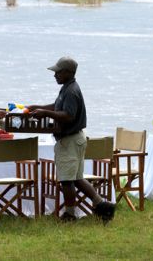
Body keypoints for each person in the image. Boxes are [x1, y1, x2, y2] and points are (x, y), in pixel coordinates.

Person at [28, 56, 115, 222]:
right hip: (75, 139)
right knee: (76, 178)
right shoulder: (67, 88)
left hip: (70, 140)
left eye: (58, 72)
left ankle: (69, 215)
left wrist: (45, 113)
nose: (55, 75)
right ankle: (103, 206)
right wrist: (37, 107)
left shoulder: (71, 91)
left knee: (67, 180)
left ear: (68, 72)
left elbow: (68, 115)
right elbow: (56, 107)